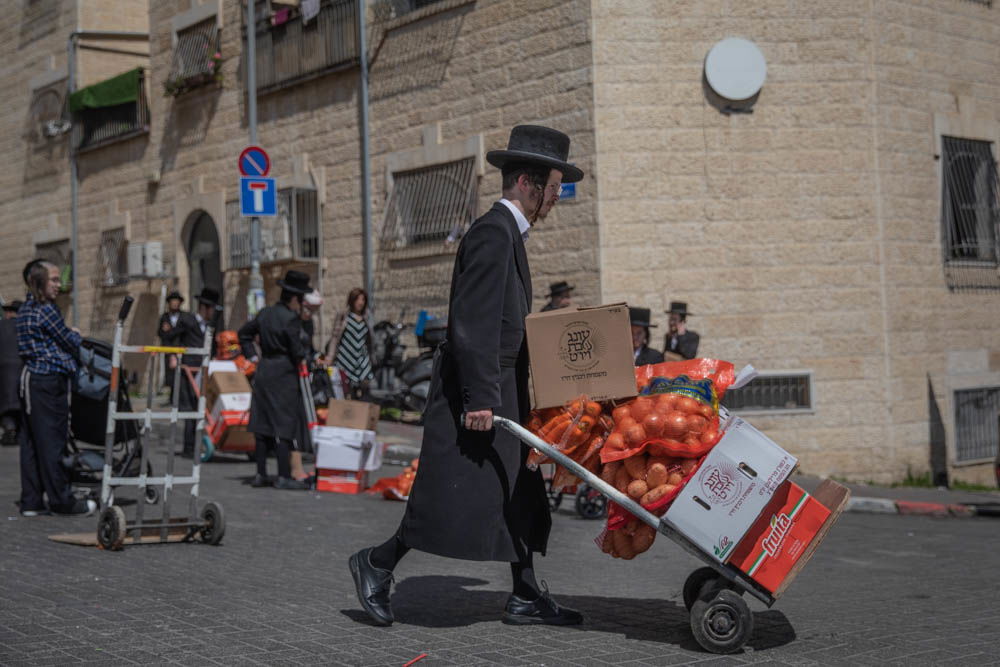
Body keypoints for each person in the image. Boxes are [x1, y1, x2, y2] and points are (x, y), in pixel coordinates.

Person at [349, 124, 585, 627]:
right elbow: (473, 321)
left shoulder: (508, 235)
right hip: (480, 392)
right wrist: (481, 397)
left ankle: (525, 593)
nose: (556, 198)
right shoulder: (493, 234)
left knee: (517, 490)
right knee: (451, 497)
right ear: (527, 184)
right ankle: (376, 562)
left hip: (502, 386)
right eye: (553, 187)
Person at [16, 261, 96, 516]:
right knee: (52, 441)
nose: (59, 284)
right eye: (53, 279)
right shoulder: (46, 310)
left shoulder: (25, 309)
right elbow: (68, 341)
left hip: (31, 380)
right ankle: (62, 501)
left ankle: (31, 501)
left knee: (31, 443)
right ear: (39, 282)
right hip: (48, 381)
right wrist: (75, 333)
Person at [239, 270, 312, 490]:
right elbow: (296, 351)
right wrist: (305, 355)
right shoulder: (291, 319)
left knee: (262, 426)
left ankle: (261, 473)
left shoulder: (265, 313)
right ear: (295, 298)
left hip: (264, 370)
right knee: (284, 426)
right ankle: (283, 475)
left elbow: (244, 334)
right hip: (284, 374)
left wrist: (253, 356)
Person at [162, 287, 220, 458]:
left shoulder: (211, 326)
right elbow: (170, 337)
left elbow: (213, 347)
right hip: (188, 370)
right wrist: (173, 355)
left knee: (202, 407)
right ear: (204, 308)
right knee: (190, 408)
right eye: (211, 309)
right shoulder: (187, 320)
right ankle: (188, 447)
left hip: (203, 370)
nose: (213, 313)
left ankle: (199, 443)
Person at [328, 288, 374, 400]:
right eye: (358, 299)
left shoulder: (366, 317)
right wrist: (330, 356)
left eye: (363, 299)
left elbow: (369, 339)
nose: (360, 302)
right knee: (346, 389)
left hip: (362, 358)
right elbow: (335, 338)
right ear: (352, 300)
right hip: (346, 357)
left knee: (365, 387)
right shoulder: (344, 316)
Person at [0, 301, 24, 446]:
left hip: (3, 371)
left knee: (5, 404)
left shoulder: (1, 325)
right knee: (19, 403)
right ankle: (17, 430)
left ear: (9, 313)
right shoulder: (24, 326)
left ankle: (9, 428)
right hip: (22, 369)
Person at [158, 290, 186, 401]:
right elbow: (161, 333)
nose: (174, 303)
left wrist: (171, 330)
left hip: (182, 350)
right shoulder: (164, 317)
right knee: (171, 375)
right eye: (172, 301)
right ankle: (172, 397)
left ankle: (181, 397)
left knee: (182, 374)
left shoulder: (184, 317)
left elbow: (184, 331)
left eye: (176, 301)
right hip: (169, 350)